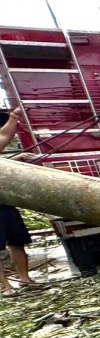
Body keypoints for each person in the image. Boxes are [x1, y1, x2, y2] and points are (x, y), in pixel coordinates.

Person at [0, 109, 41, 296]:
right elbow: (4, 135)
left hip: (5, 202)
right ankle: (6, 286)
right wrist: (14, 117)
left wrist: (15, 158)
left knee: (17, 241)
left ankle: (25, 279)